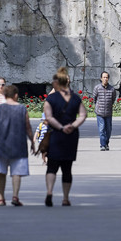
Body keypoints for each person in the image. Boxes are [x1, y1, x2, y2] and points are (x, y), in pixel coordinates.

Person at [43, 67, 87, 206]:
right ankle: (65, 198)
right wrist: (72, 126)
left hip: (56, 134)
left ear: (57, 82)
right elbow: (83, 115)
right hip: (71, 136)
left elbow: (48, 117)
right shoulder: (75, 97)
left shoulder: (51, 98)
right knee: (67, 168)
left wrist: (61, 127)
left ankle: (50, 191)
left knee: (52, 166)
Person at [0, 84, 35, 207]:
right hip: (18, 144)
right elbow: (28, 127)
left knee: (1, 172)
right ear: (15, 95)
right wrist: (33, 142)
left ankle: (1, 198)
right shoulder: (22, 109)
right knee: (16, 173)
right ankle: (15, 196)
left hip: (1, 144)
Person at [93, 71, 118, 151]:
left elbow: (113, 99)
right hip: (100, 112)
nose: (105, 79)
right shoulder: (97, 88)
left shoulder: (112, 89)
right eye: (104, 77)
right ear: (101, 78)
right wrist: (98, 106)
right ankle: (102, 145)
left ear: (108, 78)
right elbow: (94, 98)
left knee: (108, 130)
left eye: (106, 77)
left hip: (108, 112)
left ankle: (106, 143)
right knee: (101, 129)